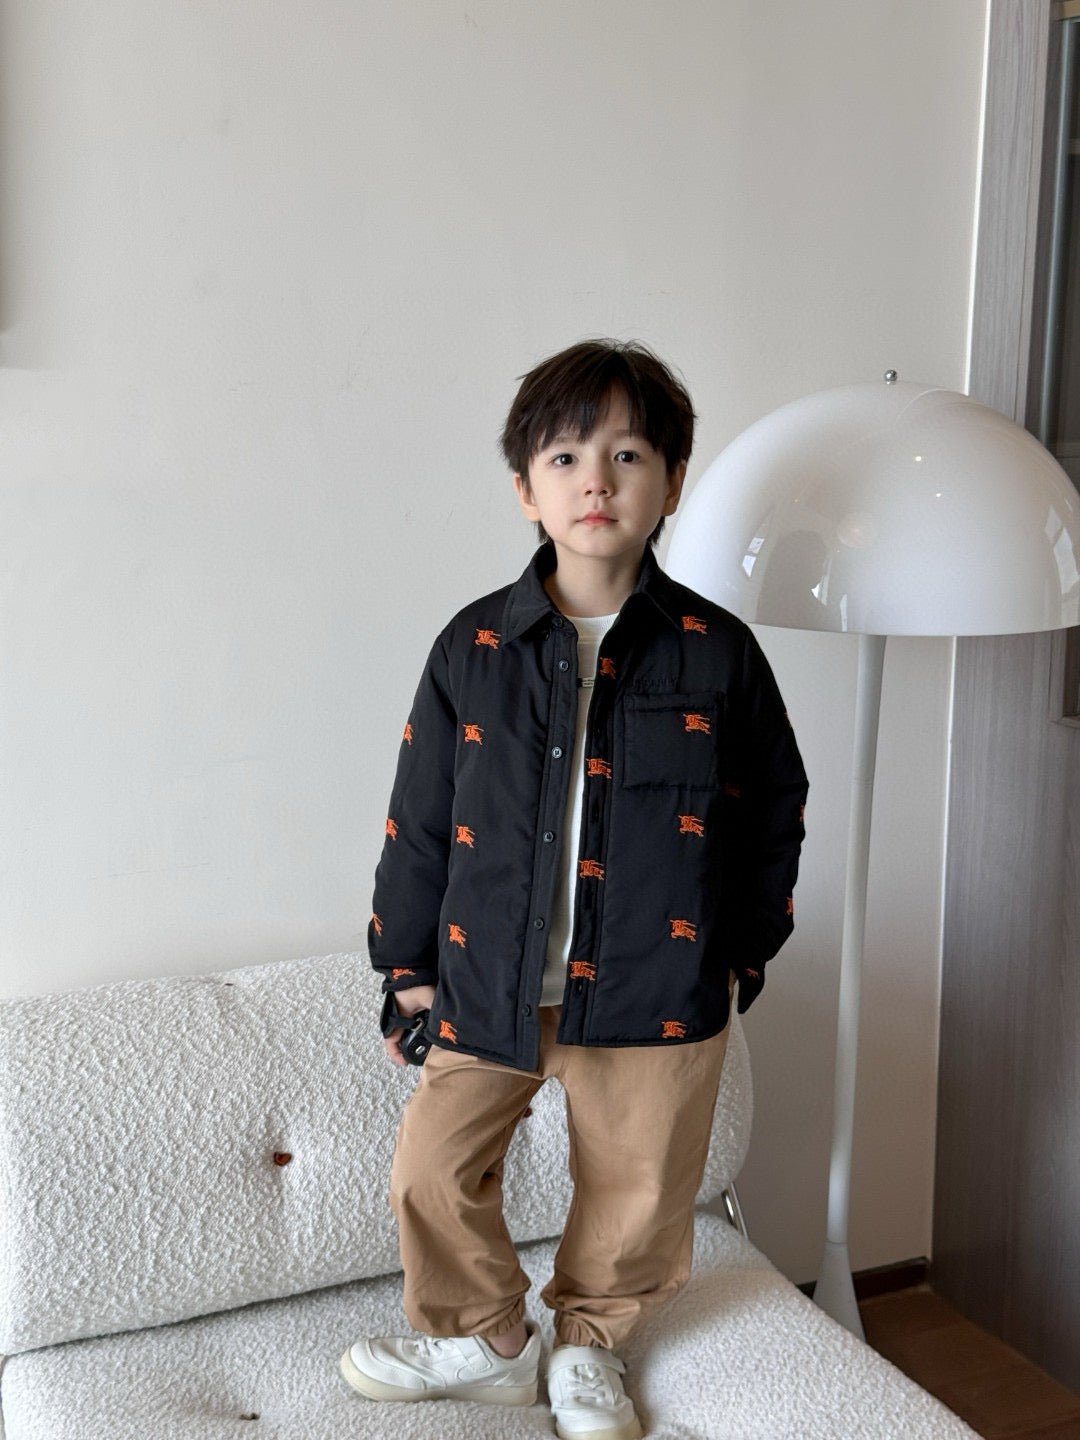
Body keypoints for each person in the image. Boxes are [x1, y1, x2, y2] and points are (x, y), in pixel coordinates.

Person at [340, 339, 808, 1440]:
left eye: (628, 455)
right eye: (565, 457)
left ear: (672, 484)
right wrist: (404, 968)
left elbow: (772, 814)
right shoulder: (473, 648)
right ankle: (489, 1344)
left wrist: (739, 957)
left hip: (657, 984)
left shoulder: (719, 655)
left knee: (638, 1188)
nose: (596, 480)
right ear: (526, 489)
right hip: (488, 978)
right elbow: (418, 818)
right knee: (431, 1170)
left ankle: (591, 1345)